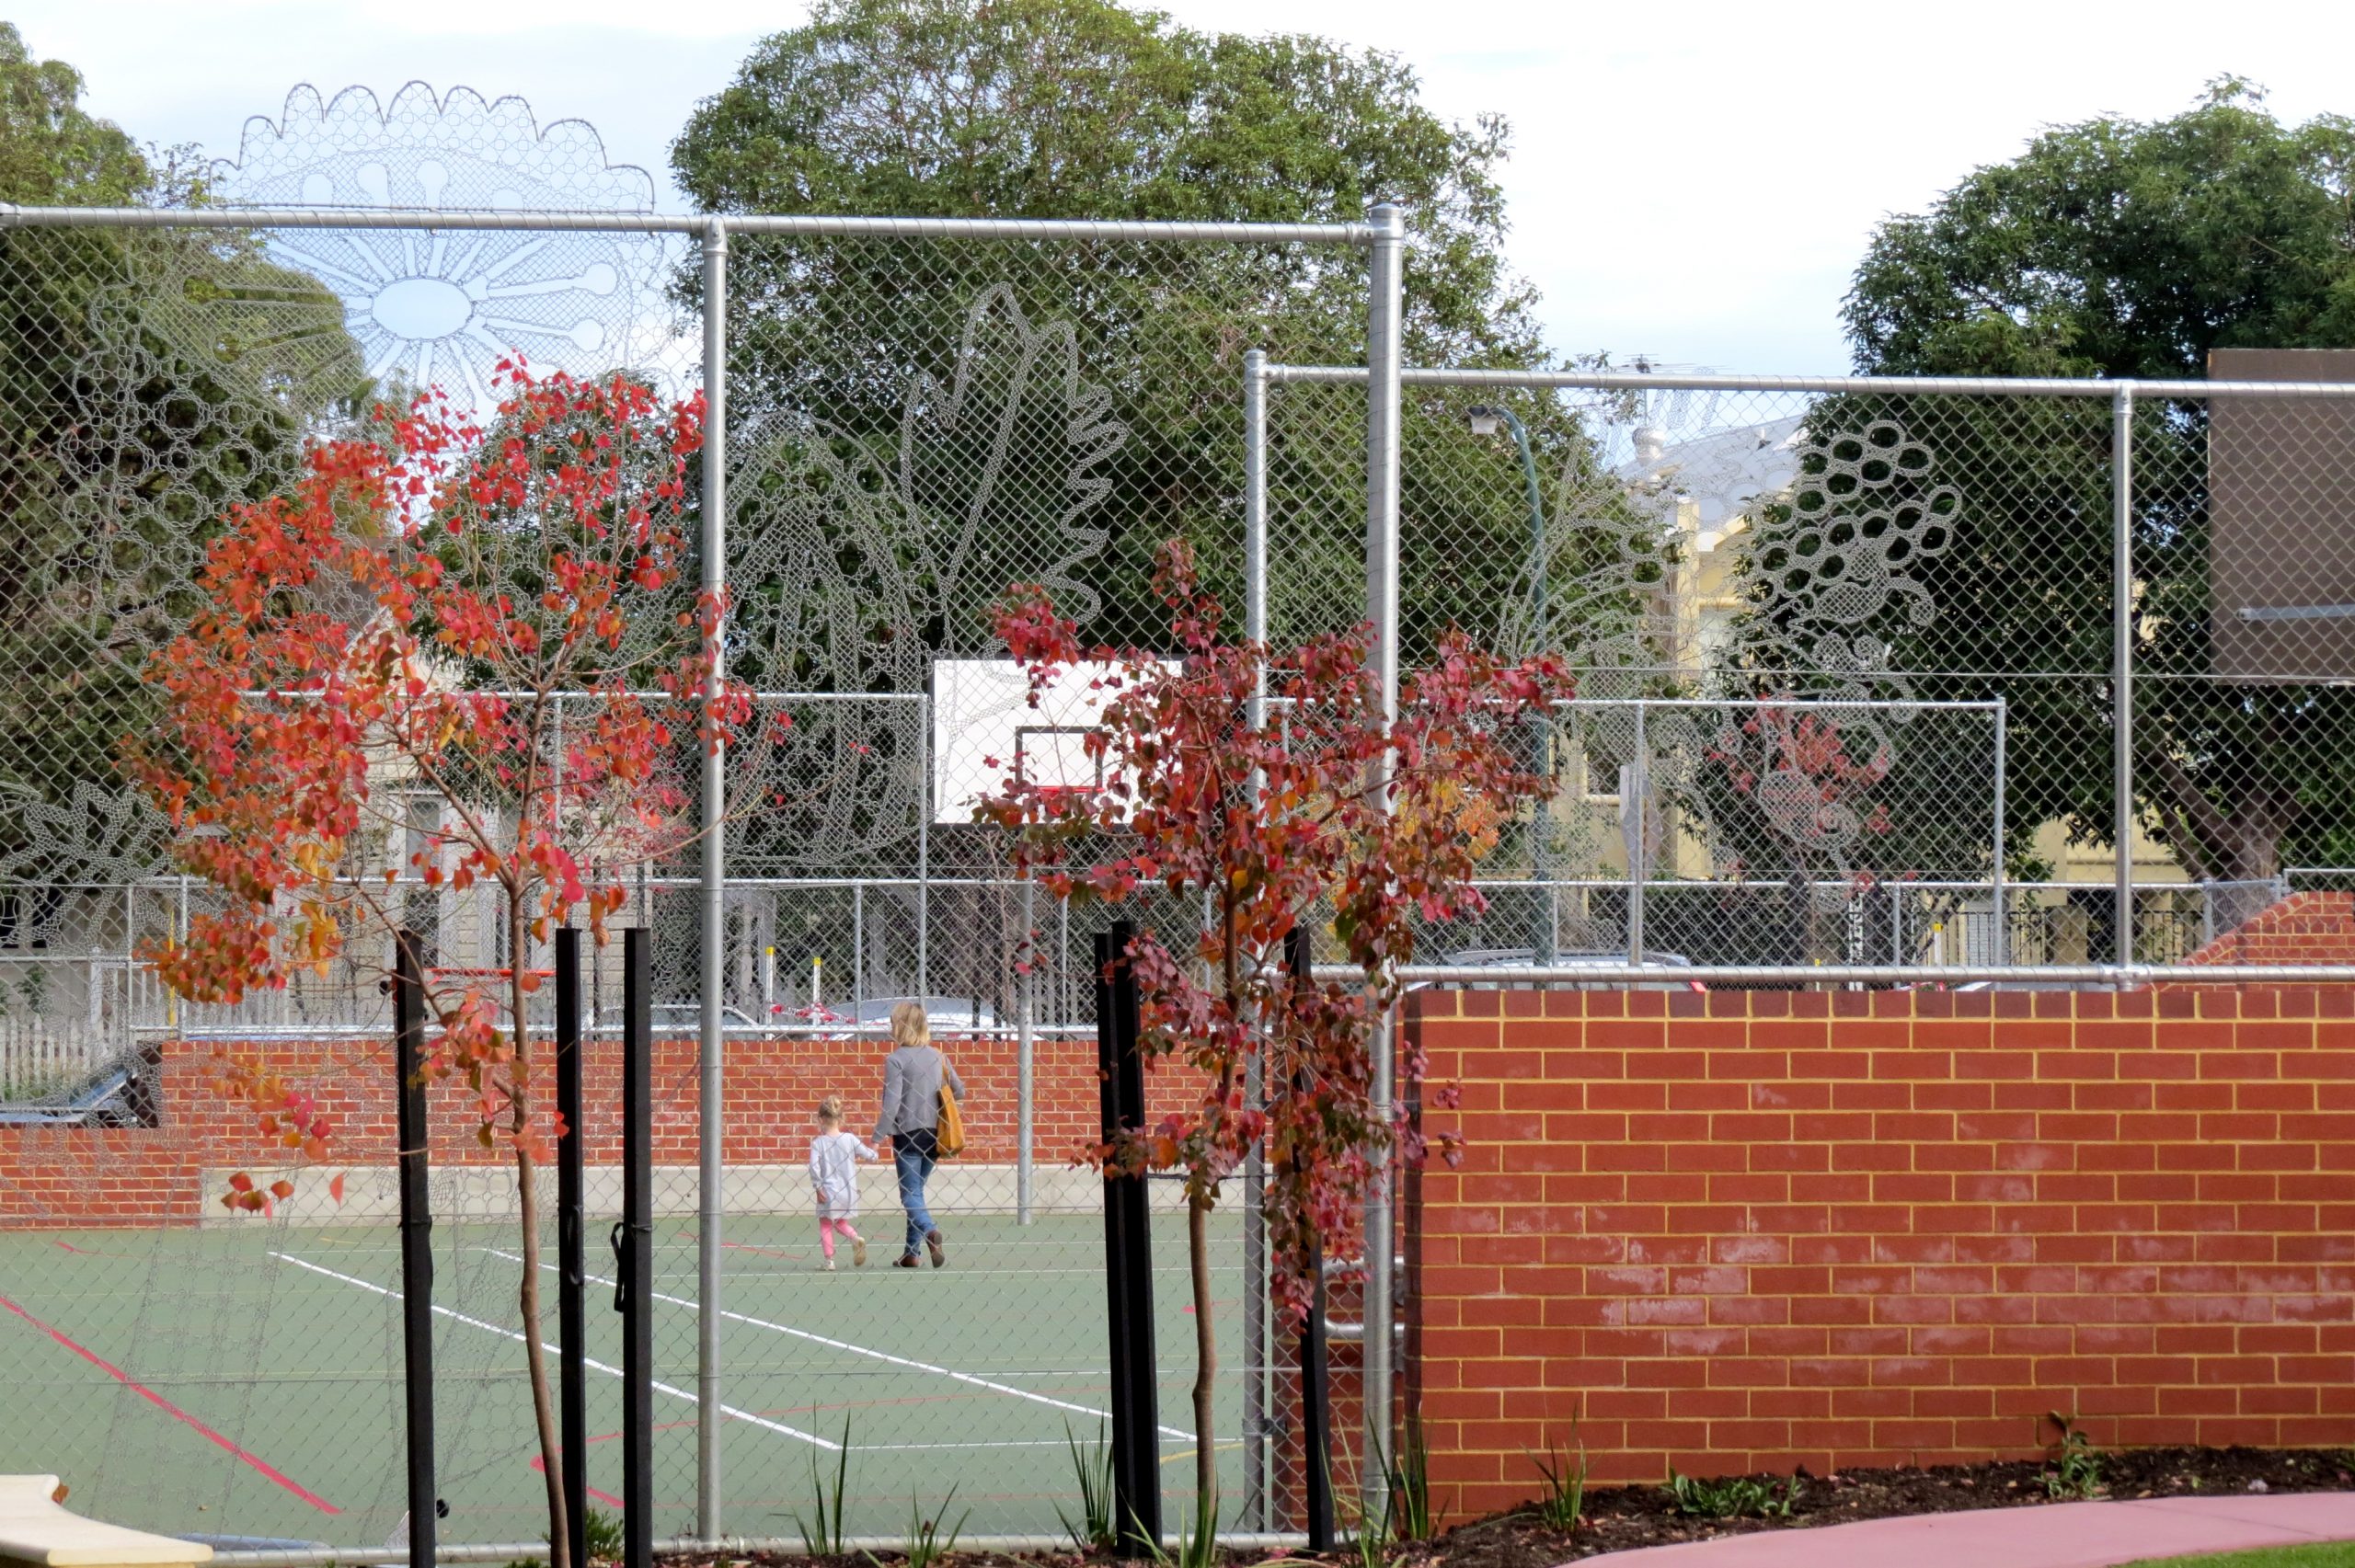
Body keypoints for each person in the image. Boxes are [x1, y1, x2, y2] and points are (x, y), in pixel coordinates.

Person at [873, 1000, 963, 1268]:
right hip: (934, 1135)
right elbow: (959, 1090)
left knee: (910, 1195)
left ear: (900, 1027)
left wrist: (877, 1136)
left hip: (907, 1135)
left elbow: (892, 1103)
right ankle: (912, 1254)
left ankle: (930, 1231)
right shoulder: (939, 1056)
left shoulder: (896, 1059)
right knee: (917, 1193)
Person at [807, 1094, 875, 1270]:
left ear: (821, 1119)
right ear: (841, 1118)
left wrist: (818, 1186)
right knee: (841, 1222)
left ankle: (829, 1260)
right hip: (849, 1191)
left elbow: (814, 1167)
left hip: (828, 1192)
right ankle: (855, 1238)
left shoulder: (818, 1143)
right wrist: (874, 1152)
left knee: (826, 1223)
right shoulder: (849, 1139)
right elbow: (868, 1155)